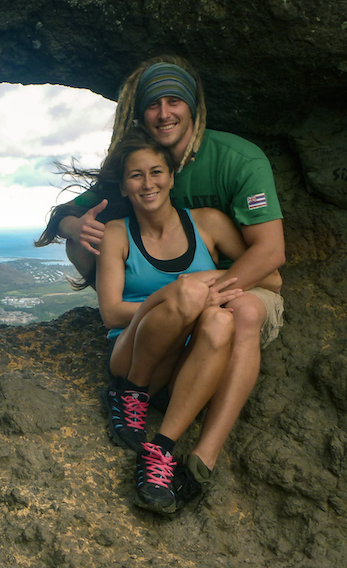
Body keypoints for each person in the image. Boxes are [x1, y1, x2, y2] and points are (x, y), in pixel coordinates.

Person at [36, 56, 285, 505]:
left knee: (240, 312)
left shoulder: (236, 163)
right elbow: (75, 210)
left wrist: (203, 286)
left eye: (175, 102)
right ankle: (136, 398)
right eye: (153, 104)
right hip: (157, 321)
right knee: (206, 306)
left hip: (224, 293)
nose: (164, 113)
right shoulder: (140, 170)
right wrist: (68, 224)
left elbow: (271, 259)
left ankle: (191, 457)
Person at [92, 130, 280, 514]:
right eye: (136, 176)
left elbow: (272, 279)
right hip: (133, 354)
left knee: (219, 322)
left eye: (157, 172)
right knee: (192, 297)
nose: (148, 184)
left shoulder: (208, 224)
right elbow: (111, 312)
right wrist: (180, 295)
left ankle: (160, 452)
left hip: (188, 370)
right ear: (124, 187)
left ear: (173, 177)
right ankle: (129, 392)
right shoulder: (117, 232)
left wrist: (204, 291)